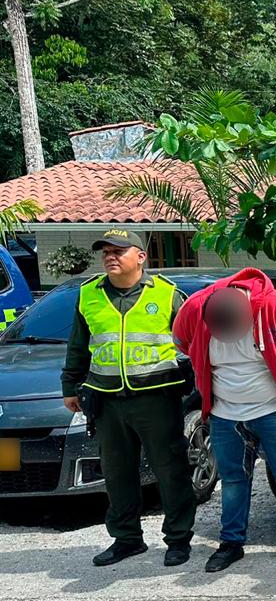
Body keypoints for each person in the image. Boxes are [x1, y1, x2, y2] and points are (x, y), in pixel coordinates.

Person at [60, 229, 197, 567]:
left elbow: (193, 345)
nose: (110, 256)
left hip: (156, 398)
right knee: (117, 473)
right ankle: (127, 539)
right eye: (105, 251)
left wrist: (201, 388)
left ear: (140, 257)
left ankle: (178, 539)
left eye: (118, 251)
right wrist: (70, 386)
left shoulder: (167, 295)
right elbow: (78, 345)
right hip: (106, 400)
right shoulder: (88, 294)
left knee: (170, 470)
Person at [173, 271, 276, 572]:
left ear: (249, 312)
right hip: (225, 414)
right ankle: (231, 543)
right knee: (234, 480)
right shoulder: (195, 310)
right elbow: (183, 342)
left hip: (275, 409)